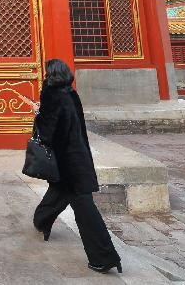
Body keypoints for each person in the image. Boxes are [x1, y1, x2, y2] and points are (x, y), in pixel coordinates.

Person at [31, 59, 122, 274]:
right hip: (78, 156)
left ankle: (103, 257)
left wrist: (38, 113)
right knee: (58, 193)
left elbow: (46, 132)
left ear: (50, 74)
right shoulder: (71, 94)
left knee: (84, 209)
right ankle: (42, 221)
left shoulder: (51, 95)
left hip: (67, 163)